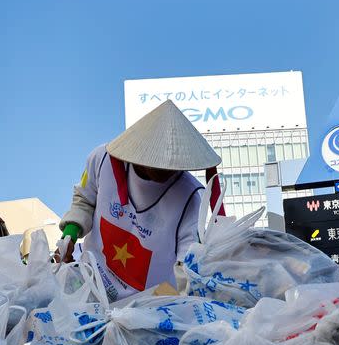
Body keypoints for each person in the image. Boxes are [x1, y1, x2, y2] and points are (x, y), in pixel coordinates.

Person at [58, 100, 223, 303]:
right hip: (93, 284)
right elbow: (84, 200)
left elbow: (187, 261)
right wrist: (69, 236)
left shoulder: (190, 197)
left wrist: (179, 302)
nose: (167, 169)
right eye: (159, 161)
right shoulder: (101, 160)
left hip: (148, 305)